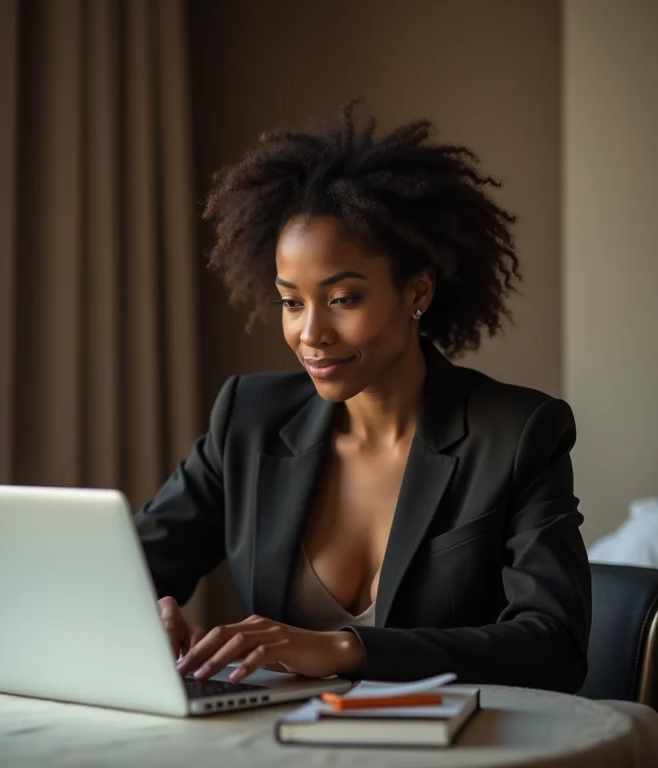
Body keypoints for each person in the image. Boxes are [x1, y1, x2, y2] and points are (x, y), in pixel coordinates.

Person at [134, 103, 591, 692]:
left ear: (417, 292)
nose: (310, 334)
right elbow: (131, 569)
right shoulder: (248, 419)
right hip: (279, 746)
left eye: (343, 298)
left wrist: (341, 649)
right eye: (291, 302)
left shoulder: (519, 433)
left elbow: (554, 647)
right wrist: (142, 610)